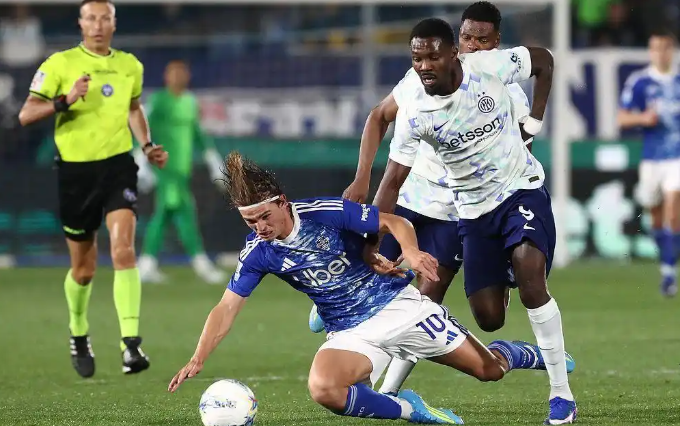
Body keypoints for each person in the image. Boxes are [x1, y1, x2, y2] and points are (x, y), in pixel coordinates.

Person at [168, 151, 568, 425]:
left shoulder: (323, 213)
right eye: (250, 222)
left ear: (282, 203)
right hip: (350, 331)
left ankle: (519, 353)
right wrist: (198, 357)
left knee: (489, 371)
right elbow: (226, 307)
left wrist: (410, 251)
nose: (260, 227)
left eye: (264, 217)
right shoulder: (258, 252)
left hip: (399, 307)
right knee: (325, 389)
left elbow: (394, 222)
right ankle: (410, 410)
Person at [310, 1, 544, 396]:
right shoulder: (422, 78)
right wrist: (362, 177)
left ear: (497, 43)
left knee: (424, 306)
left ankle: (388, 391)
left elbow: (516, 165)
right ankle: (333, 308)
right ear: (455, 42)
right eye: (467, 38)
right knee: (362, 265)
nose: (473, 46)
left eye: (483, 41)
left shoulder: (506, 90)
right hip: (408, 198)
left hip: (455, 212)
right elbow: (379, 116)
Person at [374, 18, 577, 424]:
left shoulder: (491, 68)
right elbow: (392, 182)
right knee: (489, 317)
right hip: (471, 212)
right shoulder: (415, 111)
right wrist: (370, 245)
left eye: (433, 57)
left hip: (520, 191)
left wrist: (535, 122)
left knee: (531, 278)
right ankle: (514, 352)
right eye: (417, 58)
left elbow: (543, 61)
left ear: (454, 54)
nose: (424, 66)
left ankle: (561, 396)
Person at [18, 0, 168, 378]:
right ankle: (78, 331)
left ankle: (130, 345)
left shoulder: (130, 65)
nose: (98, 25)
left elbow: (133, 107)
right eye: (91, 18)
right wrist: (65, 100)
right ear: (80, 23)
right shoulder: (59, 64)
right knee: (83, 270)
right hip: (75, 174)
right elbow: (26, 114)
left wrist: (147, 145)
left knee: (123, 250)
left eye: (105, 19)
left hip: (118, 167)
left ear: (114, 24)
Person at [136, 59, 226, 285]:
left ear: (188, 76)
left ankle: (146, 264)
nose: (177, 77)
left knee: (164, 214)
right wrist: (140, 160)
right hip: (164, 168)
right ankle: (200, 263)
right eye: (173, 73)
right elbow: (143, 127)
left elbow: (197, 133)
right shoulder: (158, 101)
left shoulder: (190, 102)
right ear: (166, 77)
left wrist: (212, 159)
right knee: (185, 210)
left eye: (181, 73)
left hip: (183, 170)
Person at [618, 29, 680, 297]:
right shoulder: (640, 82)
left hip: (677, 157)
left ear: (672, 51)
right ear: (650, 51)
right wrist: (643, 119)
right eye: (655, 48)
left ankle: (669, 272)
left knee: (673, 212)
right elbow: (622, 118)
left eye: (665, 48)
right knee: (656, 217)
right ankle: (666, 265)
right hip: (652, 158)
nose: (660, 53)